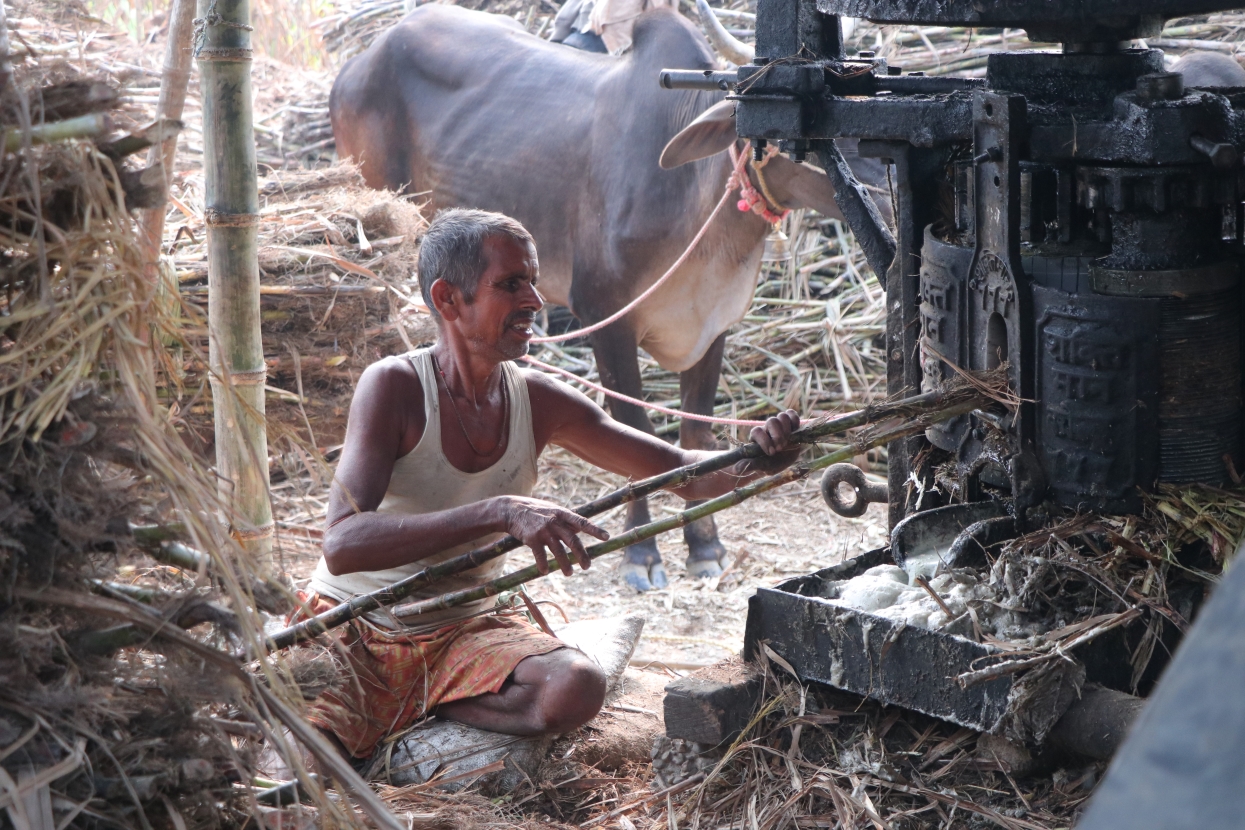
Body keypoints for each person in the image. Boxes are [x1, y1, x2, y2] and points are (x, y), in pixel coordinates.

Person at [300, 208, 802, 761]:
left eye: (533, 282)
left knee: (575, 687)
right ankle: (409, 698)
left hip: (459, 630)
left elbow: (679, 471)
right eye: (510, 284)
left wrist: (762, 457)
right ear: (447, 300)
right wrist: (499, 512)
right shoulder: (395, 386)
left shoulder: (536, 399)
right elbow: (343, 544)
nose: (535, 302)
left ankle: (423, 697)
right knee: (292, 765)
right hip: (359, 626)